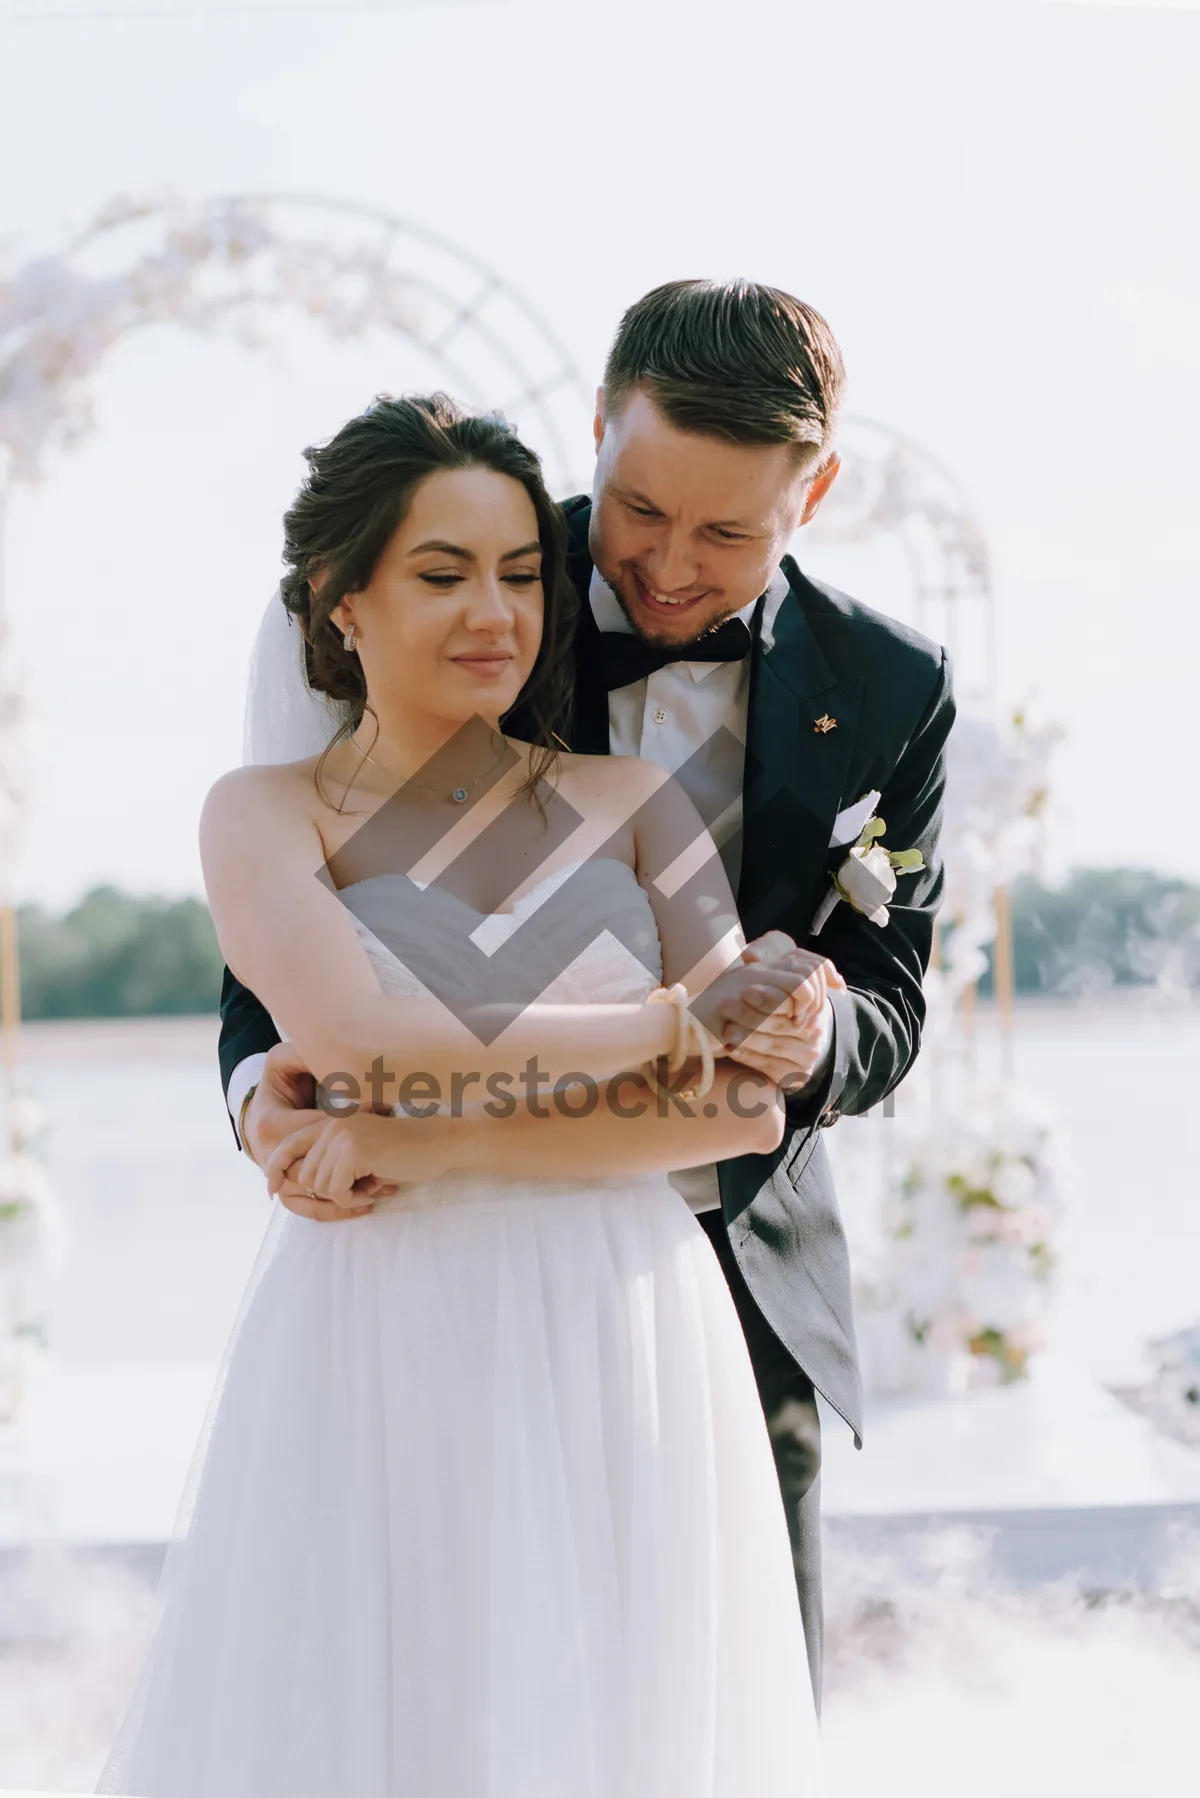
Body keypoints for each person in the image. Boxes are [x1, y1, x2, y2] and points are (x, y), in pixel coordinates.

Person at [222, 280, 956, 1703]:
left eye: (729, 532)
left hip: (720, 1268)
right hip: (418, 1248)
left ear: (819, 492)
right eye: (638, 510)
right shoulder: (463, 576)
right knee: (420, 1686)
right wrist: (267, 1097)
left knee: (718, 1710)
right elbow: (300, 902)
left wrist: (810, 1033)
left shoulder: (892, 686)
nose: (669, 567)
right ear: (599, 431)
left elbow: (891, 991)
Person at [99, 391, 831, 1797]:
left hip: (628, 1308)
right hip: (384, 1320)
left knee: (621, 1710)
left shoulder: (633, 803)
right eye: (442, 574)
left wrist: (427, 1148)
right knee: (400, 1709)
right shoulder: (265, 813)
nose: (494, 611)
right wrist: (671, 1016)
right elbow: (364, 1036)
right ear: (343, 601)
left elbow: (744, 1108)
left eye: (518, 573)